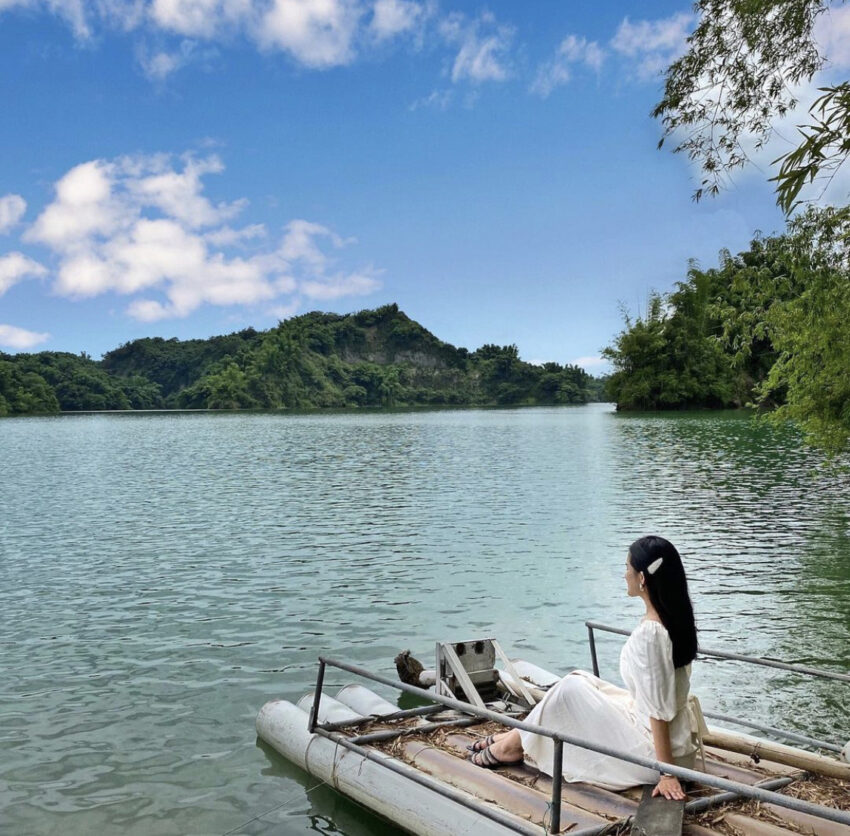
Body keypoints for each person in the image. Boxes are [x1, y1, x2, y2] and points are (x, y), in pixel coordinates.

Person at [468, 535, 699, 801]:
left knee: (570, 689)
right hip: (676, 742)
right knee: (581, 679)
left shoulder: (651, 634)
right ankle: (516, 736)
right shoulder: (675, 619)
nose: (624, 574)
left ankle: (511, 745)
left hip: (656, 753)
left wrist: (667, 773)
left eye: (627, 567)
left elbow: (658, 712)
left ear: (642, 578)